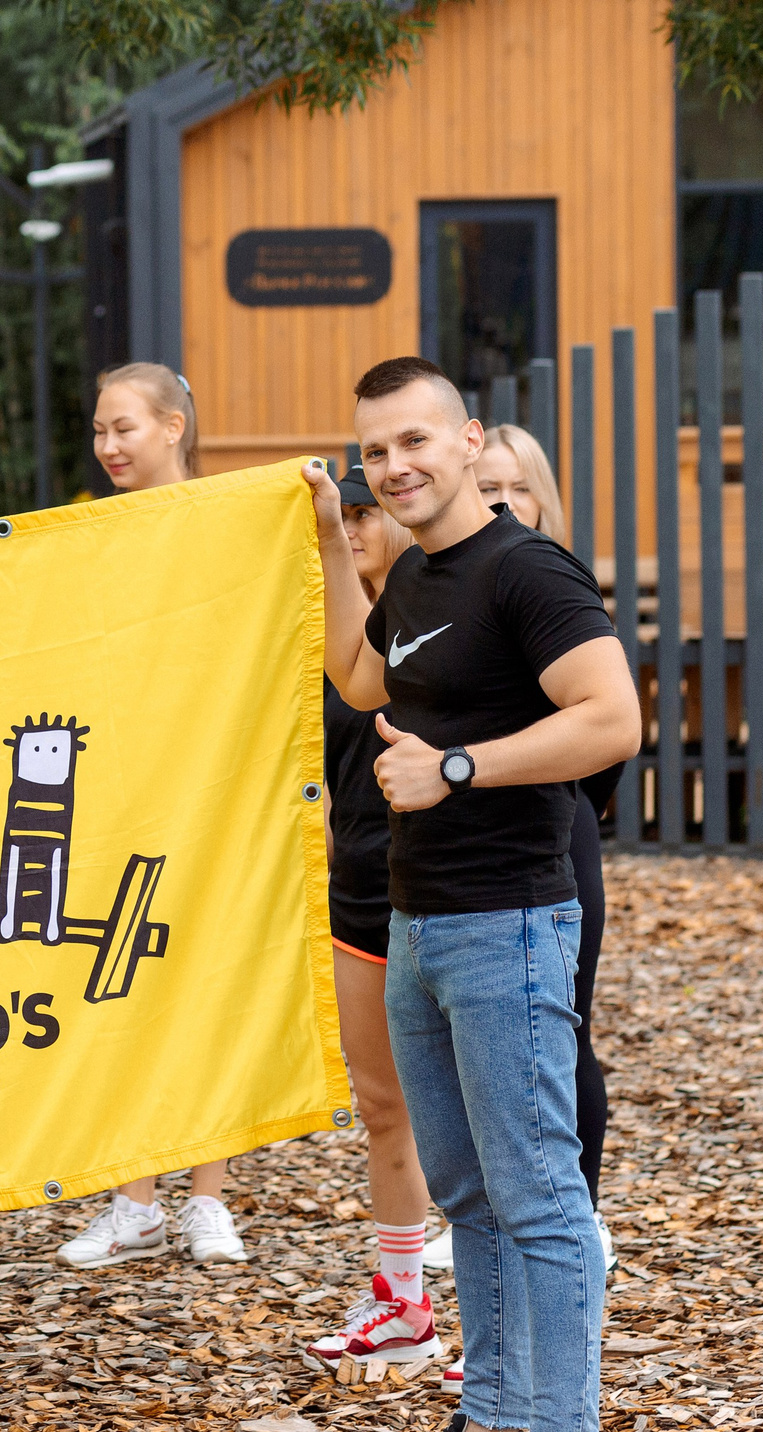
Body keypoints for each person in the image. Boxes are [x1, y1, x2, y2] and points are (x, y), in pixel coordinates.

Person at [321, 357, 640, 1432]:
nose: (394, 466)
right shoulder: (414, 573)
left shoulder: (524, 570)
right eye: (374, 453)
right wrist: (322, 532)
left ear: (466, 444)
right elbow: (358, 678)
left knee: (537, 1190)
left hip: (508, 917)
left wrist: (456, 767)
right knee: (466, 1191)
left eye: (414, 442)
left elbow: (612, 718)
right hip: (420, 921)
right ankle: (494, 1422)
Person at [56, 361, 246, 1268]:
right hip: (115, 787)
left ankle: (208, 1197)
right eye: (99, 431)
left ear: (175, 427)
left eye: (124, 427)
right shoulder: (92, 535)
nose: (108, 446)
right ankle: (133, 1196)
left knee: (204, 987)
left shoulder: (226, 524)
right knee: (120, 979)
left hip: (205, 785)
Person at [463, 424, 618, 1278]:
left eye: (512, 487)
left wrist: (572, 802)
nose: (496, 501)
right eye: (482, 484)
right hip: (463, 852)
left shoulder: (547, 580)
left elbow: (611, 727)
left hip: (555, 831)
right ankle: (496, 1224)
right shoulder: (447, 585)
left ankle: (579, 1219)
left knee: (562, 1030)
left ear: (539, 498)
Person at [306, 465, 441, 1372]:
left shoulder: (441, 610)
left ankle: (513, 1329)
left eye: (365, 512)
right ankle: (404, 1305)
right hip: (358, 882)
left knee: (473, 1114)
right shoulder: (319, 626)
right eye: (341, 514)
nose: (354, 527)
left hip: (452, 885)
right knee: (383, 1102)